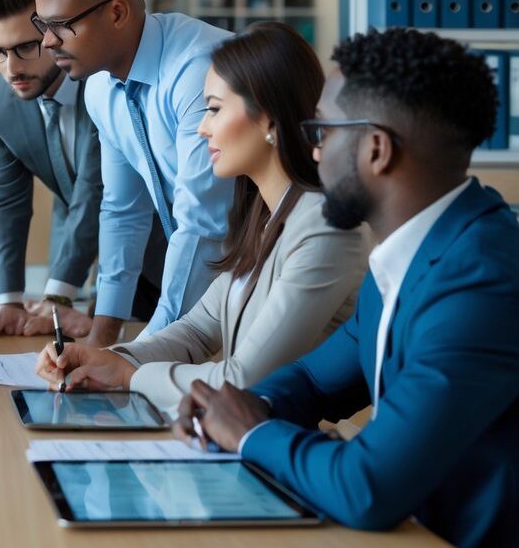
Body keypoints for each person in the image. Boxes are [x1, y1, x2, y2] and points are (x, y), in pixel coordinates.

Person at [172, 28, 519, 547]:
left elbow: (367, 487)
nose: (312, 153)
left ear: (376, 149)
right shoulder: (409, 253)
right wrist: (237, 406)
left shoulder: (481, 282)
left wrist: (250, 432)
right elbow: (315, 379)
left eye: (323, 133)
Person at [35, 22, 367, 414]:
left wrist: (126, 376)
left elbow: (243, 380)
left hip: (284, 446)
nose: (201, 127)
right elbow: (196, 329)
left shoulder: (324, 229)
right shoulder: (264, 217)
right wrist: (109, 358)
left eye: (214, 109)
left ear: (270, 120)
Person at [28, 0, 235, 346]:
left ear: (117, 13)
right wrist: (101, 340)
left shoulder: (200, 72)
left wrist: (136, 356)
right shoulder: (102, 88)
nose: (46, 41)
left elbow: (202, 225)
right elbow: (123, 210)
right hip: (220, 289)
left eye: (60, 25)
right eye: (41, 23)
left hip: (279, 273)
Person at [0, 0, 101, 339]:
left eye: (25, 48)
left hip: (155, 243)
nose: (11, 69)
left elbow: (96, 189)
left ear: (53, 34)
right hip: (76, 234)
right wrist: (8, 302)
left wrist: (58, 296)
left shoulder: (99, 79)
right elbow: (5, 198)